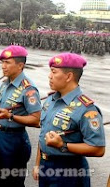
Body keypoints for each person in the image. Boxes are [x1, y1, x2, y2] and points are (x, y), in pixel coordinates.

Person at [33, 53, 105, 187]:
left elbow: (98, 149)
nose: (49, 76)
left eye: (54, 72)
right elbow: (44, 134)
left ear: (69, 76)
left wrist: (63, 145)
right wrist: (38, 164)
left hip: (69, 170)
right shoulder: (50, 100)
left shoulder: (86, 109)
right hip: (46, 166)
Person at [0, 45, 41, 187]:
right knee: (0, 180)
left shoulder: (28, 89)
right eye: (2, 62)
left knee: (13, 182)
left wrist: (11, 116)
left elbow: (36, 120)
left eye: (7, 63)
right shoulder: (5, 84)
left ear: (20, 65)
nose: (3, 66)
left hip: (15, 141)